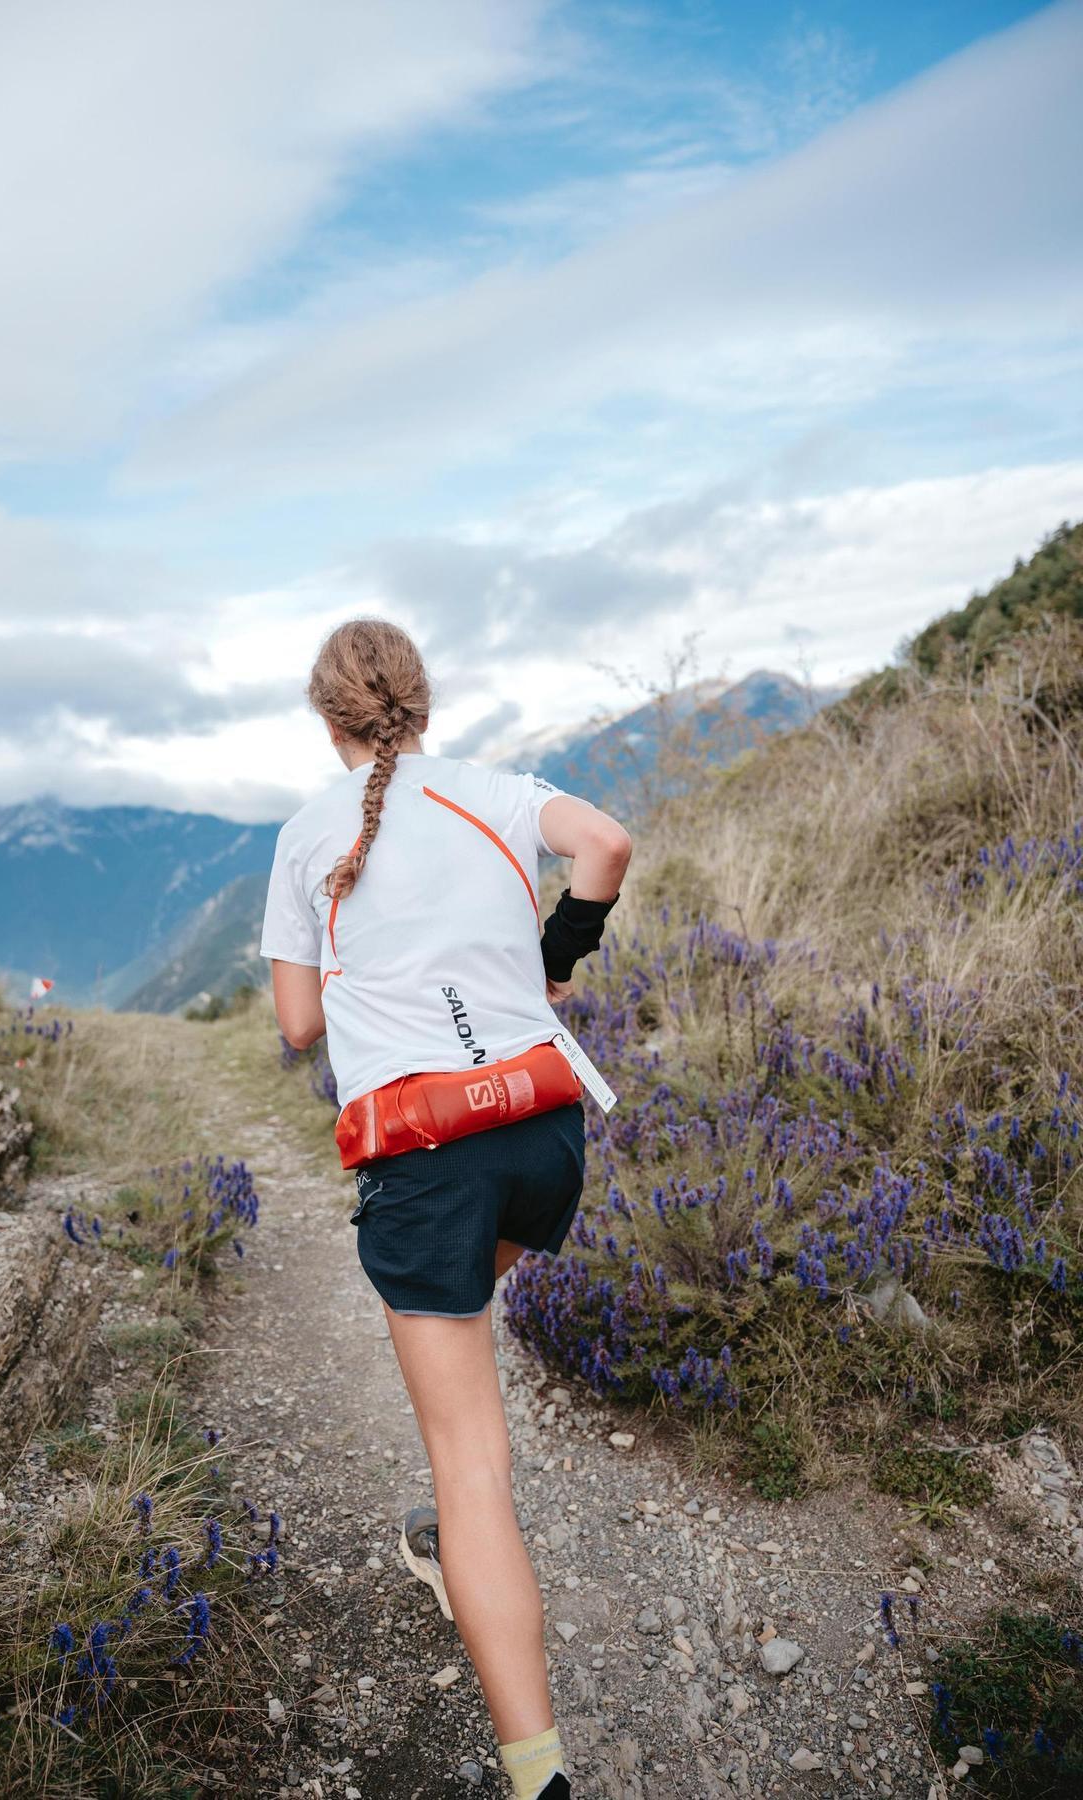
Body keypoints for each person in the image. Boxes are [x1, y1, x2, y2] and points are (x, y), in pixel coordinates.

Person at [260, 618, 632, 1800]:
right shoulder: (496, 791)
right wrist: (557, 949)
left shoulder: (307, 835)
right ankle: (459, 1499)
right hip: (543, 1132)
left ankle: (537, 1777)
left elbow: (299, 1028)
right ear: (425, 704)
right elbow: (608, 844)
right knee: (468, 1303)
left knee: (471, 1466)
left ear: (328, 721)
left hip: (428, 1156)